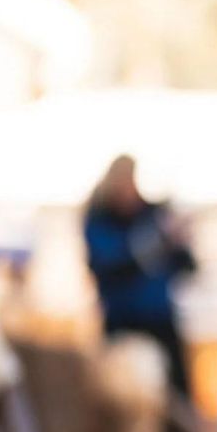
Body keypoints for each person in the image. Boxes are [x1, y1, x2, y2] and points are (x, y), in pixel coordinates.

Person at [83, 155, 195, 395]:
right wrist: (158, 241)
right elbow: (111, 265)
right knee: (126, 399)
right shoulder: (99, 220)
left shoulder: (154, 215)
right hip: (123, 327)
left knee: (176, 397)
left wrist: (181, 243)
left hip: (161, 324)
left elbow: (186, 267)